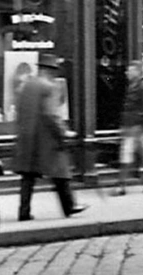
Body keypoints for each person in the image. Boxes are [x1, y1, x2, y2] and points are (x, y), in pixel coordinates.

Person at [13, 53, 87, 221]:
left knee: (28, 176)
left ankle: (23, 211)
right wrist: (63, 132)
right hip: (46, 139)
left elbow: (20, 111)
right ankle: (69, 206)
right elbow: (51, 114)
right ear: (50, 71)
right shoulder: (49, 87)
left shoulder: (26, 85)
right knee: (61, 171)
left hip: (27, 138)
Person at [113, 59, 143, 195]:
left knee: (127, 153)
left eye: (130, 70)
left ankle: (121, 186)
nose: (127, 72)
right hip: (133, 127)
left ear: (137, 72)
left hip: (139, 128)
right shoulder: (132, 86)